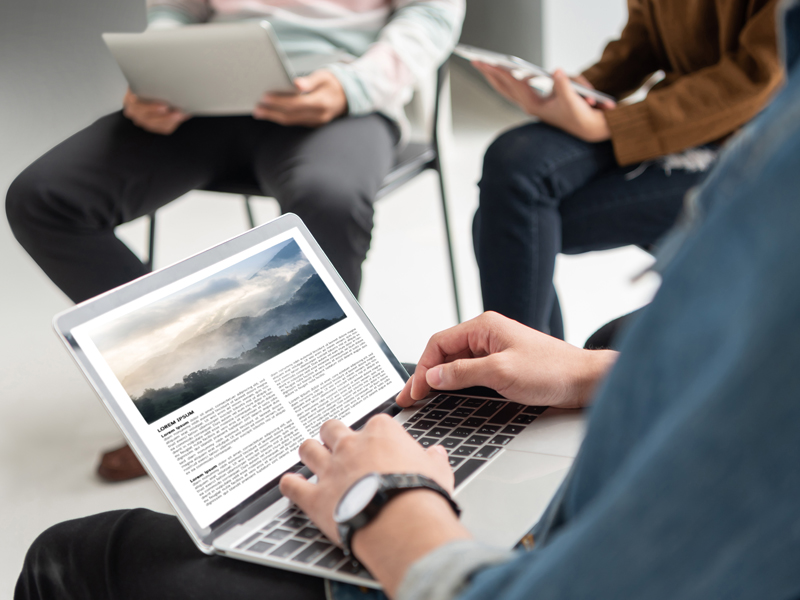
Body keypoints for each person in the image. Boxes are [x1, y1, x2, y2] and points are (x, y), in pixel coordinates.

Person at [15, 0, 800, 593]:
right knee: (535, 221)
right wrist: (585, 372)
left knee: (69, 556)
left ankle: (246, 417)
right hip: (204, 111)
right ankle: (201, 406)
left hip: (472, 550)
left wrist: (385, 502)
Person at [5, 0, 464, 481]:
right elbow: (178, 10)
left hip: (339, 94)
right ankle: (202, 403)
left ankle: (315, 414)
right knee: (43, 200)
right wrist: (159, 72)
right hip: (203, 102)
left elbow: (430, 16)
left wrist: (354, 85)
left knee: (329, 199)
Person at [472, 0, 783, 340]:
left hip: (754, 146)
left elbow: (757, 76)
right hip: (677, 117)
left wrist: (611, 125)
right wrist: (580, 90)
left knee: (502, 222)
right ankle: (525, 375)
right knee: (511, 166)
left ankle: (529, 375)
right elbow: (644, 38)